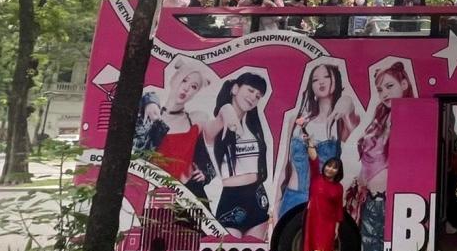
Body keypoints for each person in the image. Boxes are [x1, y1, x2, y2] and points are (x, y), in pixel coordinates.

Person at [350, 61, 414, 251]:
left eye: (389, 86)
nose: (384, 93)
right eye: (380, 89)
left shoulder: (412, 117)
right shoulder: (381, 117)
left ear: (404, 84)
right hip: (370, 199)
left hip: (389, 201)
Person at [279, 62, 359, 218]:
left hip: (321, 197)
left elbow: (356, 125)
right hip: (292, 197)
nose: (321, 82)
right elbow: (285, 166)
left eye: (327, 76)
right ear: (311, 85)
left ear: (336, 80)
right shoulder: (296, 119)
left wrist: (347, 101)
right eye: (315, 79)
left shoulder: (341, 121)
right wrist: (277, 203)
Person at [136, 58, 216, 200]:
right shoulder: (151, 114)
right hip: (155, 192)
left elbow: (217, 148)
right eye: (184, 80)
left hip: (190, 196)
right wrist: (148, 101)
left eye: (194, 86)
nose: (186, 88)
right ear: (174, 80)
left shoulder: (197, 119)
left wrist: (207, 173)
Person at [204, 72, 271, 239]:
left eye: (258, 96)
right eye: (250, 90)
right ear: (235, 88)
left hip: (257, 197)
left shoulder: (254, 128)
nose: (253, 98)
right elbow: (219, 120)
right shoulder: (216, 125)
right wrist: (226, 109)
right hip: (231, 199)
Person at [299, 121, 345, 251]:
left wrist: (337, 229)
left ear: (338, 171)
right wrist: (310, 142)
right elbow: (313, 158)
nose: (330, 169)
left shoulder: (338, 188)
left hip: (328, 225)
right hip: (312, 221)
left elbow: (339, 209)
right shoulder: (316, 178)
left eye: (334, 167)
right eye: (328, 165)